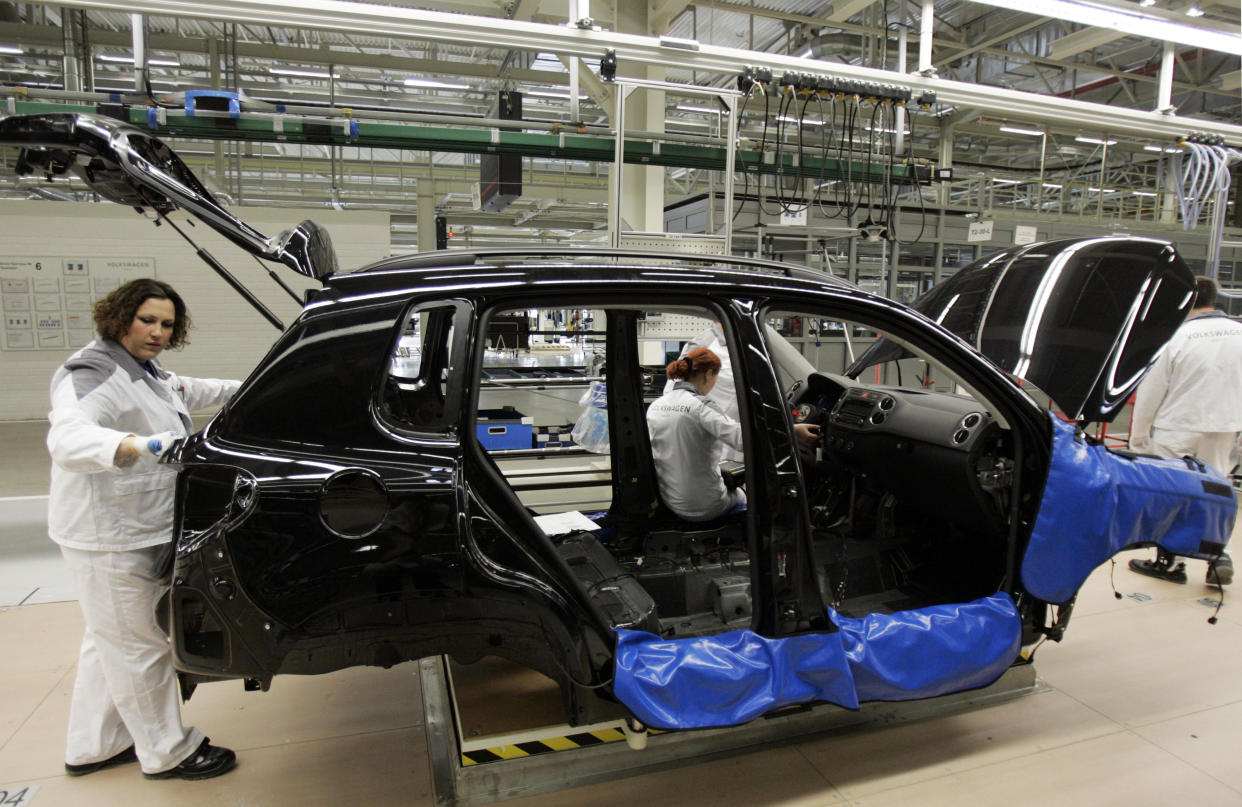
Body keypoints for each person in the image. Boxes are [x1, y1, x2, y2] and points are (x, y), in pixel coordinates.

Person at [47, 278, 242, 780]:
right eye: (147, 320)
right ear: (121, 317)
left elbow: (197, 390)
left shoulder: (148, 372)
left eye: (167, 324)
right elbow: (68, 437)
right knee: (140, 646)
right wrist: (134, 445)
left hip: (135, 530)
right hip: (109, 536)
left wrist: (263, 386)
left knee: (108, 640)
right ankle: (166, 752)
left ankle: (94, 744)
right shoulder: (92, 372)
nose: (157, 331)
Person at [1128, 276, 1242, 586]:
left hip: (1176, 426)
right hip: (1224, 426)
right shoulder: (1239, 333)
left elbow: (1151, 392)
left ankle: (1170, 562)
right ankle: (1220, 556)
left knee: (1174, 494)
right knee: (1218, 492)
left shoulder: (1177, 337)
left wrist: (1138, 438)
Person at [647, 347, 820, 522]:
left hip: (671, 500)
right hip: (703, 505)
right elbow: (744, 440)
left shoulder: (656, 406)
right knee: (752, 498)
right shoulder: (701, 406)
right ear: (708, 374)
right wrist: (793, 430)